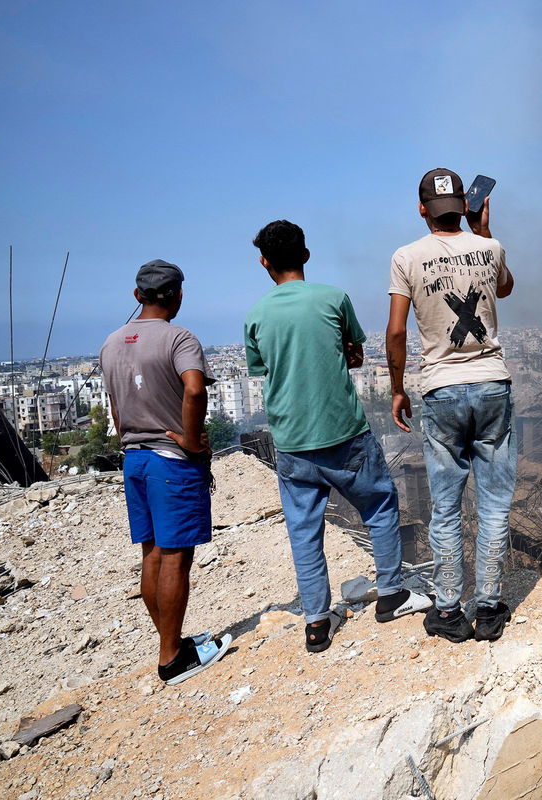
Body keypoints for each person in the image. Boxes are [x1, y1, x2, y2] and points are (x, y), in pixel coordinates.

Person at [245, 220, 430, 653]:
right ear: (305, 255)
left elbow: (264, 370)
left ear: (263, 262)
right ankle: (390, 594)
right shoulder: (334, 298)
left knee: (305, 532)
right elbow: (356, 353)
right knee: (380, 504)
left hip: (292, 440)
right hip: (344, 432)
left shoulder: (256, 314)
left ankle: (315, 622)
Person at [387, 168, 517, 643]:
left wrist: (399, 387)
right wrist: (484, 234)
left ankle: (448, 609)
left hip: (441, 387)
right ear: (466, 206)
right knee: (495, 503)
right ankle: (488, 606)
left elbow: (397, 331)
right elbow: (503, 288)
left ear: (422, 209)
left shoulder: (406, 257)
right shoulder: (492, 247)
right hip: (491, 383)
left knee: (445, 507)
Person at [100, 260, 232, 685]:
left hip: (134, 458)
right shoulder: (180, 338)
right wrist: (192, 440)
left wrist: (132, 433)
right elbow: (194, 389)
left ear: (137, 296)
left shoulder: (111, 343)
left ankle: (170, 643)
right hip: (171, 461)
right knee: (177, 556)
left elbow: (117, 409)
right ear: (177, 295)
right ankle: (171, 658)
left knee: (152, 553)